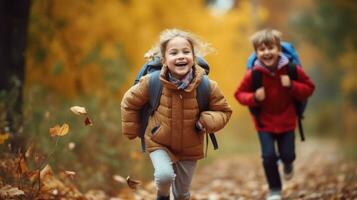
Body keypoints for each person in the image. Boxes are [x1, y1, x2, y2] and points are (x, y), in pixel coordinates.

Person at [121, 29, 232, 200]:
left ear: (193, 58)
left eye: (186, 52)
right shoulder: (153, 82)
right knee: (164, 176)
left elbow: (224, 111)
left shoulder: (206, 85)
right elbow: (129, 102)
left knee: (182, 194)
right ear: (164, 60)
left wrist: (207, 121)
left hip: (190, 147)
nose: (181, 56)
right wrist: (132, 129)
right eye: (174, 53)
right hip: (159, 141)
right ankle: (163, 196)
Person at [234, 29, 315, 200]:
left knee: (288, 155)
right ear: (256, 53)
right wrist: (255, 96)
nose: (266, 52)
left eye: (270, 48)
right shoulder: (253, 74)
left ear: (278, 49)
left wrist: (292, 85)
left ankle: (287, 164)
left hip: (287, 121)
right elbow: (239, 94)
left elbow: (309, 88)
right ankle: (275, 190)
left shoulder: (291, 70)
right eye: (261, 49)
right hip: (264, 123)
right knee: (268, 156)